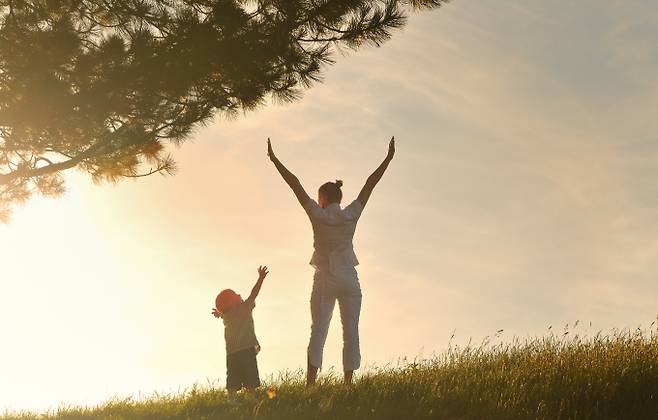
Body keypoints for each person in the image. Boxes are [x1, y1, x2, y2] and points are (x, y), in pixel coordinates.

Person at [267, 136, 395, 385]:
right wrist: (388, 159)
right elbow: (370, 183)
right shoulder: (351, 214)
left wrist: (274, 160)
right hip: (349, 279)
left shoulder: (318, 214)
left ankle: (311, 383)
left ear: (323, 198)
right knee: (351, 332)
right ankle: (348, 384)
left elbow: (295, 184)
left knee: (319, 330)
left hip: (325, 279)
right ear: (340, 198)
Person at [212, 265, 269, 396]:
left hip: (232, 354)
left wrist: (219, 313)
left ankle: (231, 400)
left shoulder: (227, 316)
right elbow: (254, 294)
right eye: (236, 295)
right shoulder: (244, 308)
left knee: (232, 379)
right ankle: (251, 399)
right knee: (250, 379)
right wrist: (261, 278)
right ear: (233, 303)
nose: (239, 294)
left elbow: (224, 314)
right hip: (247, 350)